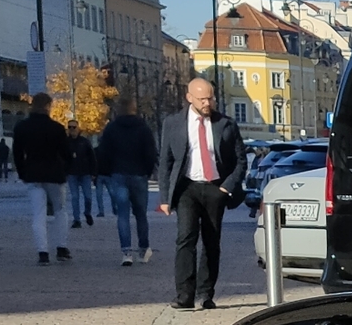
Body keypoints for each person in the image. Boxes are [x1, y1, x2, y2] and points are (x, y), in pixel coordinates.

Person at [158, 76, 245, 308]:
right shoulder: (173, 123)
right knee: (185, 238)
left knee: (211, 241)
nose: (207, 103)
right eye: (202, 99)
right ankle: (184, 295)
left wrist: (227, 186)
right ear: (189, 98)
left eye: (211, 98)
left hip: (216, 187)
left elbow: (241, 161)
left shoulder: (225, 124)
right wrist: (165, 197)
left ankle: (206, 293)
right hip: (187, 187)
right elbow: (165, 161)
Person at [94, 101, 159, 266]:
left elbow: (103, 152)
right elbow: (150, 152)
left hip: (118, 174)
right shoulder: (143, 129)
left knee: (123, 215)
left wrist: (108, 171)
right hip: (138, 174)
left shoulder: (112, 129)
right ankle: (143, 249)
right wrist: (147, 170)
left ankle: (126, 252)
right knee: (141, 214)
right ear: (134, 110)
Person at [12, 92, 74, 263]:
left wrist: (23, 173)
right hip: (54, 174)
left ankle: (43, 252)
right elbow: (66, 154)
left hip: (33, 174)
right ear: (48, 106)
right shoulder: (57, 128)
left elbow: (17, 154)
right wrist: (66, 169)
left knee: (38, 214)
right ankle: (61, 247)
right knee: (60, 211)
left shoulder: (22, 127)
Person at [69, 132, 100, 227]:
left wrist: (94, 172)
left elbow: (92, 157)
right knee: (75, 197)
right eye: (70, 127)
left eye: (74, 127)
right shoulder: (66, 142)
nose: (72, 129)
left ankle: (87, 212)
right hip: (72, 173)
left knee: (88, 197)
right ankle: (76, 219)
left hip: (85, 173)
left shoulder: (84, 142)